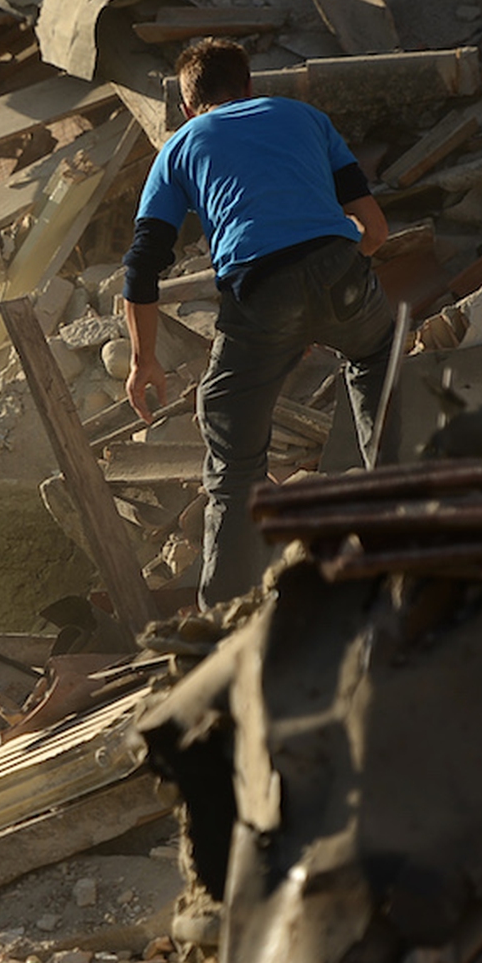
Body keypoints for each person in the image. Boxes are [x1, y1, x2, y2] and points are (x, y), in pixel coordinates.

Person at [122, 37, 392, 608]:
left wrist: (143, 358)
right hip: (341, 265)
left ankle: (220, 617)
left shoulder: (179, 146)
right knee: (375, 362)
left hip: (259, 289)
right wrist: (333, 288)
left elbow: (142, 267)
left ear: (189, 105)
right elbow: (375, 228)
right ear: (248, 86)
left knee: (230, 446)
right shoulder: (304, 116)